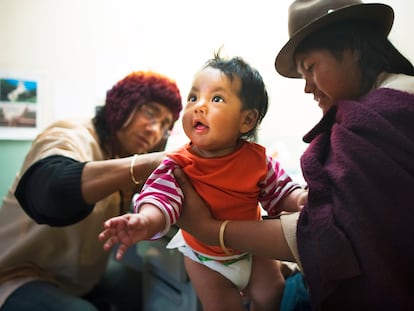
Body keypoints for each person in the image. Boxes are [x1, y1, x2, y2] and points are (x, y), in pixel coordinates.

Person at [170, 0, 414, 310]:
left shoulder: (381, 118)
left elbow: (331, 232)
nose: (307, 87)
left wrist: (212, 230)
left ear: (352, 48)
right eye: (193, 97)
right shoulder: (389, 102)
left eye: (310, 68)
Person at [99, 54, 308, 311]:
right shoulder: (178, 163)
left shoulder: (257, 159)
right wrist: (145, 220)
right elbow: (160, 197)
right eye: (193, 97)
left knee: (272, 294)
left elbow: (279, 191)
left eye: (216, 99)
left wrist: (298, 198)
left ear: (247, 120)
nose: (199, 106)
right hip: (205, 260)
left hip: (251, 249)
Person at [0, 70, 183, 311]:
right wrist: (149, 161)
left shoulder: (121, 153)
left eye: (164, 126)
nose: (154, 130)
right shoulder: (71, 134)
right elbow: (53, 189)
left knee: (143, 288)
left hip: (76, 277)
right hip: (17, 273)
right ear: (123, 105)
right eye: (150, 113)